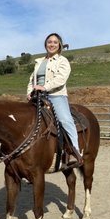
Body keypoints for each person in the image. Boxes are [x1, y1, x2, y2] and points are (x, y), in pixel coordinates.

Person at [26, 32, 83, 168]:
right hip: (37, 96)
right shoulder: (39, 61)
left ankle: (75, 152)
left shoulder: (62, 61)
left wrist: (44, 87)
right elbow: (31, 80)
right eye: (49, 42)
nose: (52, 44)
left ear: (59, 45)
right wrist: (29, 92)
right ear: (46, 44)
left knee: (65, 120)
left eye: (55, 42)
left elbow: (61, 79)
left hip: (56, 95)